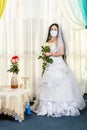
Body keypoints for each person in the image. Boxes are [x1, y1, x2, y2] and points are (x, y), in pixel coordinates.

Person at [35, 23, 86, 117]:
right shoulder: (49, 40)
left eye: (55, 29)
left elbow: (61, 52)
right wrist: (44, 57)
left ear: (58, 31)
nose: (53, 31)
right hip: (50, 65)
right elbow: (45, 53)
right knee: (48, 85)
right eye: (52, 29)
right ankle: (47, 107)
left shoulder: (59, 40)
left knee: (60, 84)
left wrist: (49, 54)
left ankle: (62, 107)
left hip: (58, 65)